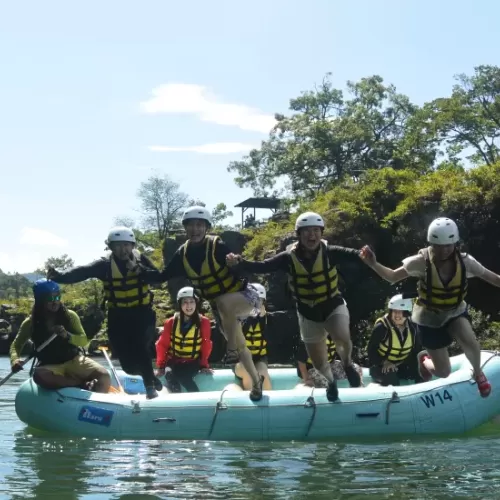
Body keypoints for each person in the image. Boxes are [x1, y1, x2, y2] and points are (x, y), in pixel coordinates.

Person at [226, 211, 369, 402]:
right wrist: (240, 262)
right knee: (318, 363)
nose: (312, 235)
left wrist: (363, 253)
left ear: (321, 232)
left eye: (316, 230)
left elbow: (353, 255)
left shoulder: (331, 252)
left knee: (342, 337)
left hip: (332, 304)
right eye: (307, 231)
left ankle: (348, 363)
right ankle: (331, 383)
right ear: (299, 235)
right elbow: (263, 266)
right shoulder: (288, 258)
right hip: (308, 311)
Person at [360, 217, 500, 398]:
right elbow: (393, 277)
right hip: (429, 318)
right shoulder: (420, 262)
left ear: (455, 243)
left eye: (448, 245)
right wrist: (373, 264)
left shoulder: (466, 262)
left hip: (454, 311)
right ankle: (424, 360)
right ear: (431, 243)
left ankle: (478, 373)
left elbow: (494, 279)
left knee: (470, 340)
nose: (443, 250)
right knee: (443, 372)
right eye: (438, 246)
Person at [139, 206, 265, 401]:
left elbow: (240, 266)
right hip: (221, 308)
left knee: (224, 303)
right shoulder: (182, 254)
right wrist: (139, 264)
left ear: (206, 228)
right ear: (185, 228)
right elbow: (162, 276)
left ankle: (229, 348)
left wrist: (235, 262)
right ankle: (257, 383)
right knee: (242, 347)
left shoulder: (218, 245)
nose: (195, 229)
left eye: (199, 225)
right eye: (191, 225)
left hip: (246, 297)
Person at [47, 226, 162, 399]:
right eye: (117, 246)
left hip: (142, 313)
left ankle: (150, 388)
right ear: (111, 247)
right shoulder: (105, 265)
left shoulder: (141, 260)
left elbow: (158, 279)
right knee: (128, 366)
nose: (122, 250)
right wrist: (59, 276)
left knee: (141, 346)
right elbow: (82, 272)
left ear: (132, 246)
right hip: (118, 315)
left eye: (126, 245)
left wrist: (139, 270)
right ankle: (150, 376)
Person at [9, 279, 111, 392]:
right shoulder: (30, 323)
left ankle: (92, 397)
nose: (55, 302)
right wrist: (15, 360)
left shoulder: (70, 316)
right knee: (39, 376)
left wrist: (67, 335)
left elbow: (83, 340)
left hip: (74, 360)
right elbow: (16, 345)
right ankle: (81, 384)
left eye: (57, 297)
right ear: (40, 301)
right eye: (49, 299)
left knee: (104, 376)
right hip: (49, 366)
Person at [155, 286, 213, 392]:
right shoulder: (171, 322)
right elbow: (162, 345)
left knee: (183, 376)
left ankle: (197, 401)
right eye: (185, 302)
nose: (189, 305)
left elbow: (206, 344)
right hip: (173, 361)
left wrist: (204, 365)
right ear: (180, 304)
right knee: (170, 374)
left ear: (196, 303)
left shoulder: (204, 322)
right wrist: (161, 366)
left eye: (192, 302)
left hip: (192, 362)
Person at [368, 294, 423, 386]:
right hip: (381, 367)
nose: (397, 315)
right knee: (391, 377)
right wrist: (385, 362)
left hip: (401, 365)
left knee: (419, 375)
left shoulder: (413, 327)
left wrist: (418, 370)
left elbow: (416, 350)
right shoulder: (381, 328)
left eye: (401, 312)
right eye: (394, 311)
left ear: (406, 313)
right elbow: (371, 350)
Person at [234, 283, 272, 391]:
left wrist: (262, 319)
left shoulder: (269, 320)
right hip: (240, 360)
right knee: (248, 370)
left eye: (259, 301)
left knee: (263, 372)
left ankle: (269, 405)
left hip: (259, 358)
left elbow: (269, 338)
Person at [295, 336, 364, 388]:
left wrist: (350, 370)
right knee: (326, 380)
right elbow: (301, 362)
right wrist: (306, 379)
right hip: (311, 368)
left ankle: (355, 396)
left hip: (330, 365)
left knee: (357, 369)